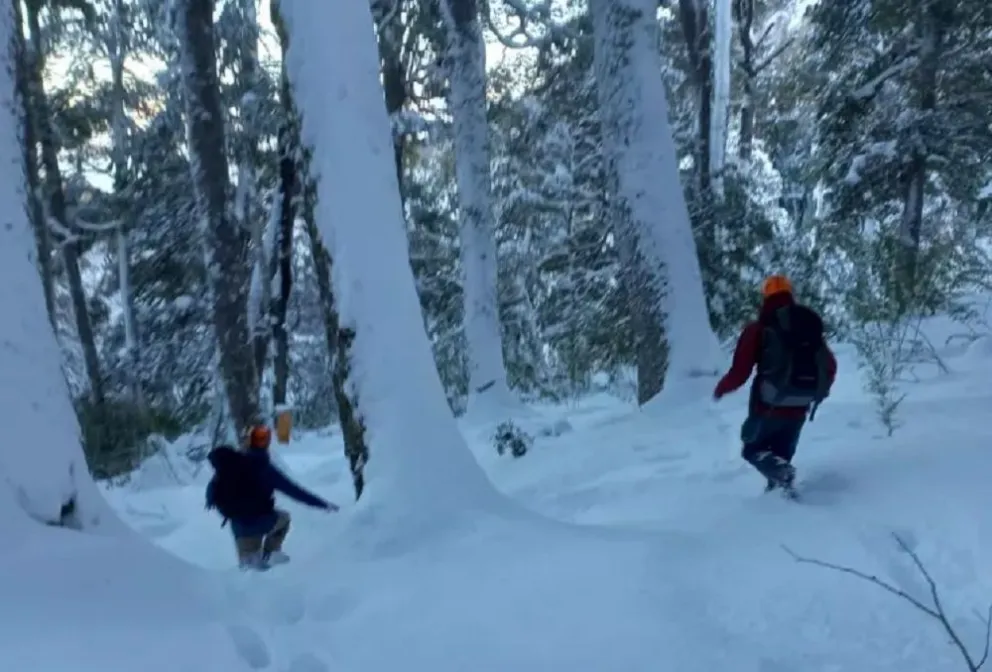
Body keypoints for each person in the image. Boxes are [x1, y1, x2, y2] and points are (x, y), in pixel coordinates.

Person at [713, 275, 837, 495]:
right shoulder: (809, 328)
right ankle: (782, 505)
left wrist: (721, 388)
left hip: (768, 405)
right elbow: (829, 365)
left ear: (765, 296)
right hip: (800, 406)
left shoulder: (758, 329)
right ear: (791, 295)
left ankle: (781, 499)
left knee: (753, 451)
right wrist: (817, 392)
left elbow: (740, 372)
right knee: (781, 460)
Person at [206, 424, 338, 570]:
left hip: (238, 528)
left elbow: (212, 490)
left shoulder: (232, 465)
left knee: (249, 573)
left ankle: (257, 566)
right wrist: (324, 505)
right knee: (284, 518)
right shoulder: (265, 468)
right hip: (263, 521)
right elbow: (295, 492)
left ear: (248, 442)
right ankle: (272, 554)